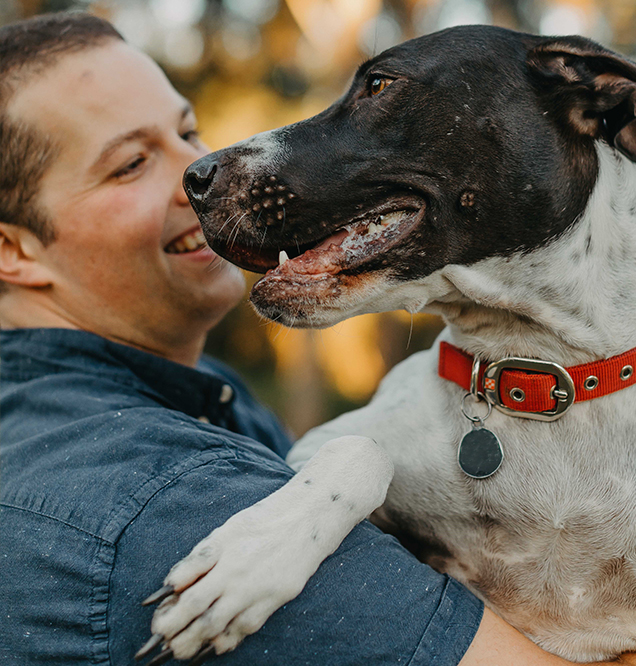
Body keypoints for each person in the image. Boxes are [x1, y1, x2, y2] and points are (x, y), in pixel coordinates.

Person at [0, 12, 634, 666]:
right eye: (130, 163)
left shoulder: (218, 403)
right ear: (11, 250)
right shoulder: (152, 495)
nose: (198, 166)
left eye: (188, 130)